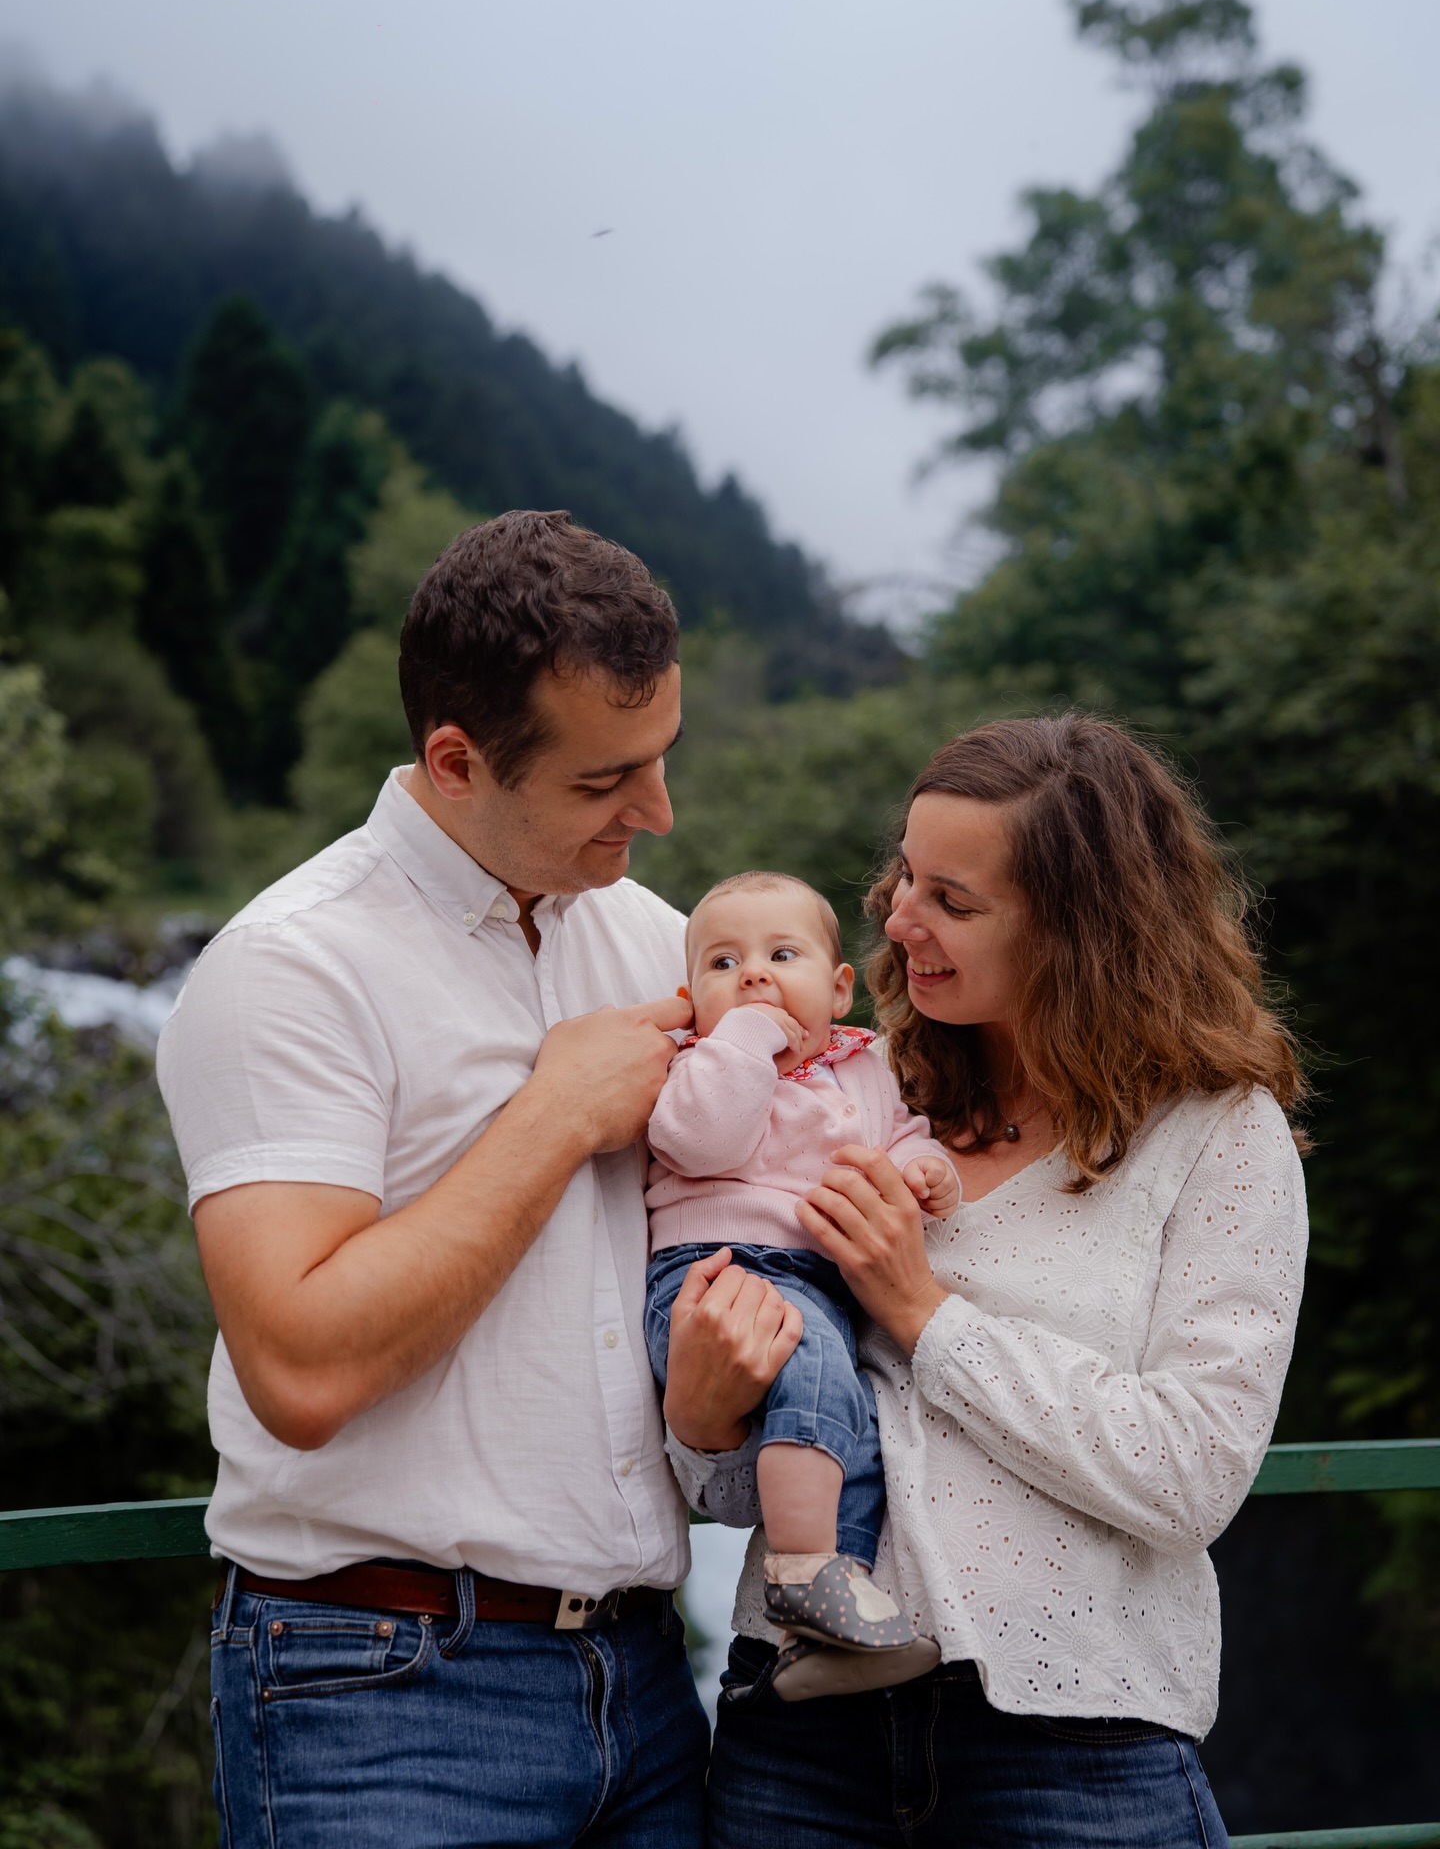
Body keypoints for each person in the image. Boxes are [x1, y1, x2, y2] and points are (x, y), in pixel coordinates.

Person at [156, 510, 788, 1849]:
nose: (659, 813)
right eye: (606, 780)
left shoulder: (665, 944)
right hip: (380, 1692)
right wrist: (552, 1115)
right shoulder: (291, 969)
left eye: (662, 759)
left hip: (649, 1679)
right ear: (455, 760)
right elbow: (303, 1372)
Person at [662, 715, 1309, 1848]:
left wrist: (923, 1313)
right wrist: (704, 1425)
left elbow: (1193, 1475)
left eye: (953, 903)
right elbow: (748, 1487)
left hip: (1073, 1747)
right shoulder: (858, 1093)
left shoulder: (1217, 1136)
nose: (898, 920)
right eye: (907, 877)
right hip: (796, 1738)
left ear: (1082, 933)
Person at [643, 871, 957, 1696]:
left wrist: (925, 1172)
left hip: (815, 1280)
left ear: (839, 987)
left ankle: (825, 1624)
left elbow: (902, 1137)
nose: (751, 974)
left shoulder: (864, 1070)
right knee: (819, 1381)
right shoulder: (701, 1064)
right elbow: (700, 1142)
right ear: (691, 997)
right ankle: (804, 1575)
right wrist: (742, 1039)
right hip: (718, 1269)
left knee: (850, 1420)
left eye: (782, 955)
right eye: (722, 964)